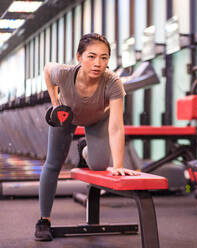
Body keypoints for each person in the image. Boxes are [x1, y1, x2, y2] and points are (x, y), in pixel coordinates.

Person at [34, 33, 138, 242]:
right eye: (91, 56)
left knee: (100, 166)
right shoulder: (64, 74)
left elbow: (117, 126)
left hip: (97, 120)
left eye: (104, 57)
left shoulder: (113, 82)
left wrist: (118, 164)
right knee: (53, 164)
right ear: (79, 57)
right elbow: (47, 69)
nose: (98, 63)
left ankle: (84, 149)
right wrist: (55, 103)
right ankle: (43, 220)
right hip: (66, 116)